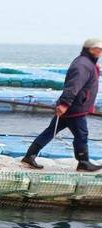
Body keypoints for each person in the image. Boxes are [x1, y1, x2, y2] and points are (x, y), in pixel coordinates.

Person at [22, 38, 101, 172]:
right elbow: (73, 86)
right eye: (97, 49)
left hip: (72, 106)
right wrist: (64, 104)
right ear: (89, 49)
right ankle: (83, 162)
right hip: (74, 108)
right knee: (82, 134)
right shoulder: (83, 64)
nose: (100, 52)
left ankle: (29, 156)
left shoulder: (87, 63)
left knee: (50, 131)